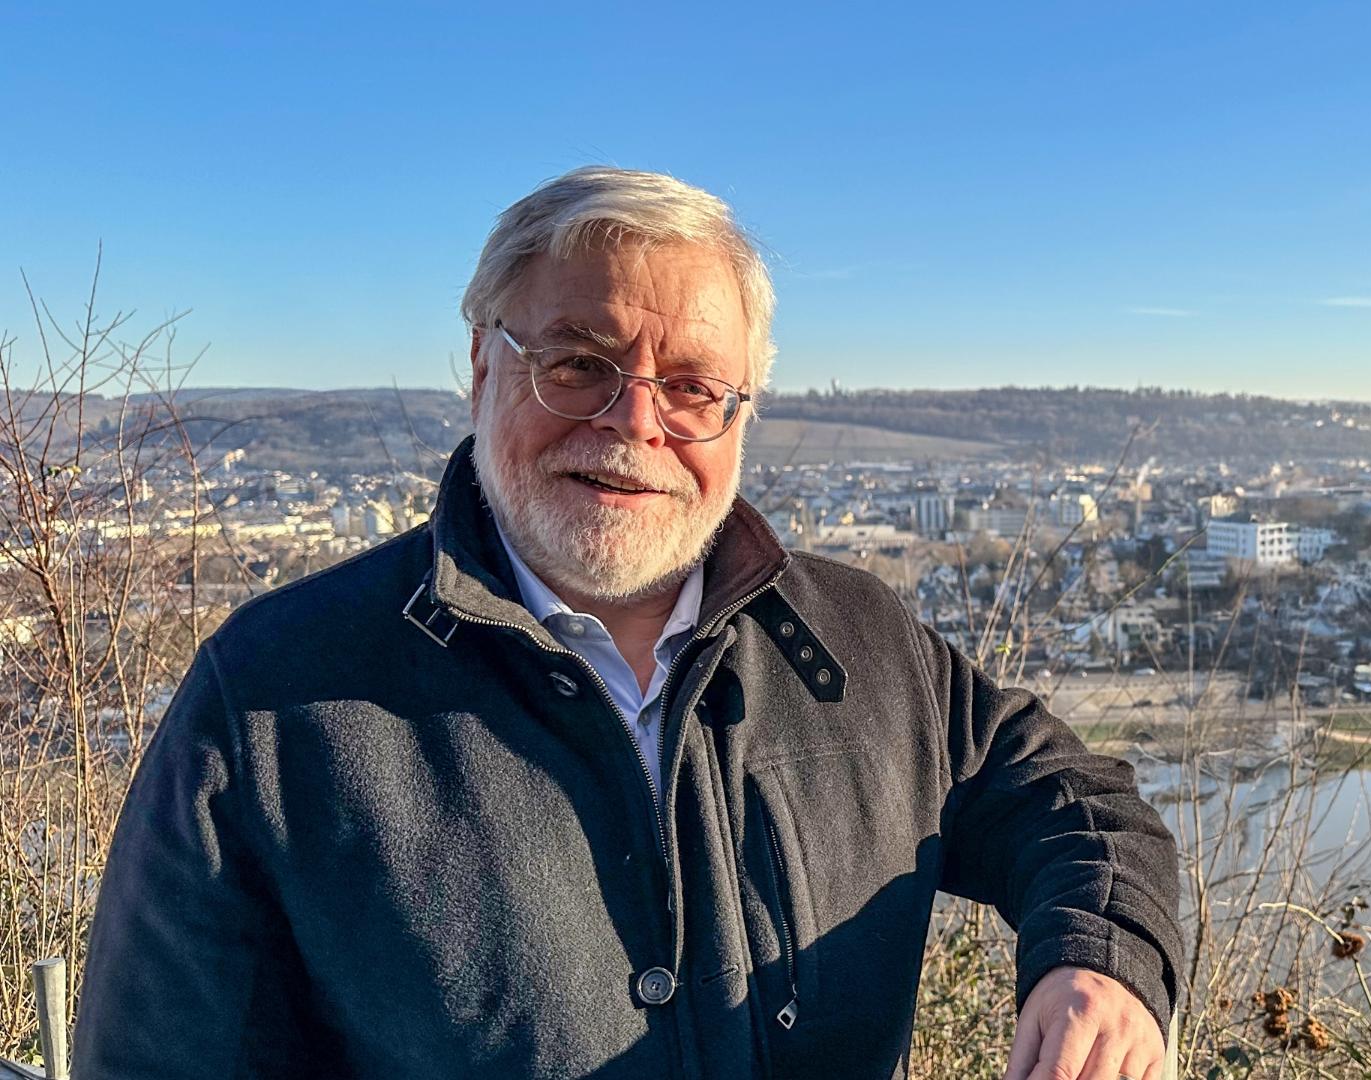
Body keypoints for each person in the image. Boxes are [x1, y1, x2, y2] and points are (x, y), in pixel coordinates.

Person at [76, 167, 1181, 1079]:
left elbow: (1073, 801)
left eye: (694, 386)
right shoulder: (272, 702)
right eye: (578, 366)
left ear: (743, 413)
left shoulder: (857, 641)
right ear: (480, 369)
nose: (633, 423)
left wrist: (1102, 963)